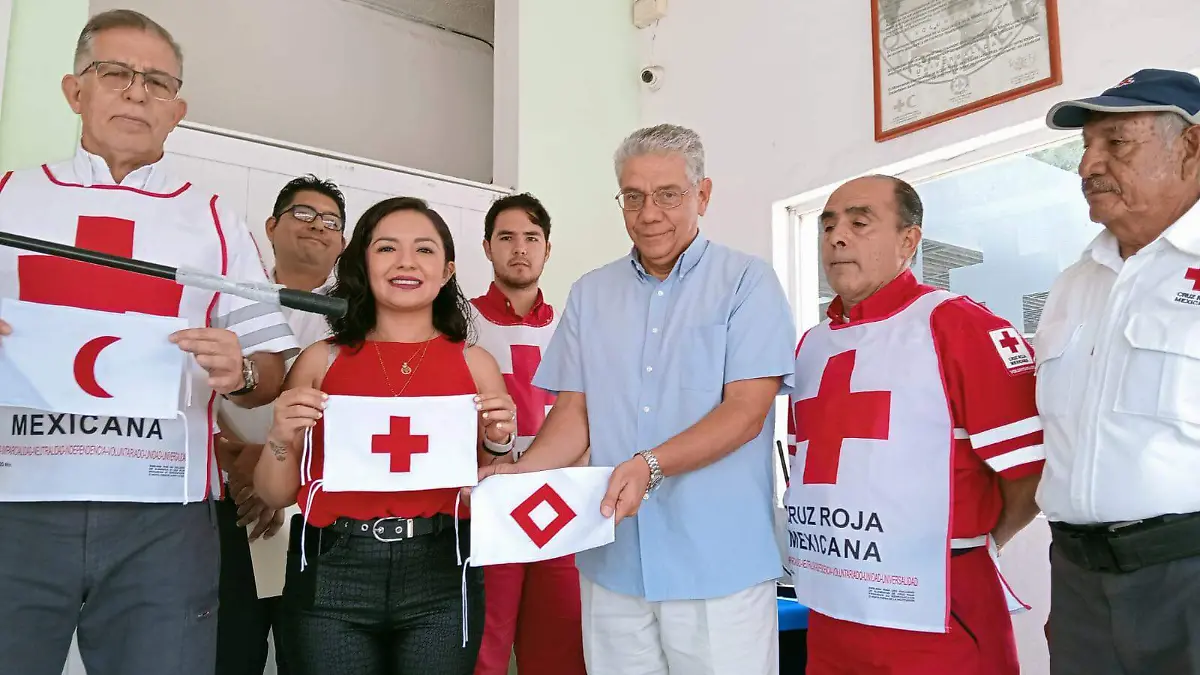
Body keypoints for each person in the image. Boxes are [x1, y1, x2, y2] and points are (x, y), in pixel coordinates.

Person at [0, 10, 297, 675]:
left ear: (177, 110)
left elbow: (271, 371)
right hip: (16, 497)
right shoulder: (9, 198)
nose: (137, 93)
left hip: (163, 517)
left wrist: (244, 372)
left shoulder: (214, 219)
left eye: (157, 82)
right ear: (75, 91)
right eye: (116, 73)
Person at [478, 124, 796, 675]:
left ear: (702, 195)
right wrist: (521, 474)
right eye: (633, 196)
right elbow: (575, 412)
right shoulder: (591, 293)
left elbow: (746, 412)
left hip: (717, 567)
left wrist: (651, 464)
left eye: (668, 194)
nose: (649, 213)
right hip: (613, 560)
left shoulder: (747, 282)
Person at [787, 175, 1044, 675]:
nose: (837, 237)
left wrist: (969, 547)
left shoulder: (958, 324)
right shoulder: (811, 346)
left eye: (860, 223)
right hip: (832, 609)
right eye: (828, 226)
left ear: (909, 240)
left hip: (938, 607)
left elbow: (1030, 472)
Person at [254, 196, 517, 675]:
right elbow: (274, 494)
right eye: (387, 248)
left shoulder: (475, 366)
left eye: (424, 249)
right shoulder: (320, 361)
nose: (406, 262)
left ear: (448, 270)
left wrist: (499, 443)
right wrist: (279, 435)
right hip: (332, 565)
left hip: (442, 567)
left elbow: (489, 492)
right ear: (363, 261)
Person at [1037, 68, 1200, 675]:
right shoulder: (1073, 284)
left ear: (1191, 147)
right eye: (1086, 147)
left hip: (1187, 578)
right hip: (1080, 582)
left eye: (1117, 143)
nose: (1087, 165)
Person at [214, 174, 347, 675]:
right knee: (230, 652)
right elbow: (191, 389)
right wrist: (229, 454)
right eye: (303, 214)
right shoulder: (228, 300)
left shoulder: (355, 318)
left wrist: (274, 465)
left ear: (343, 243)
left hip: (319, 510)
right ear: (271, 227)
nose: (318, 226)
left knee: (309, 656)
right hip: (230, 499)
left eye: (331, 221)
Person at [469, 193, 587, 675]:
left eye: (532, 238)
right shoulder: (459, 324)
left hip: (559, 503)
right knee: (485, 646)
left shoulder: (574, 327)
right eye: (507, 237)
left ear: (547, 249)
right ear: (487, 247)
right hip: (486, 500)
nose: (520, 248)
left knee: (559, 647)